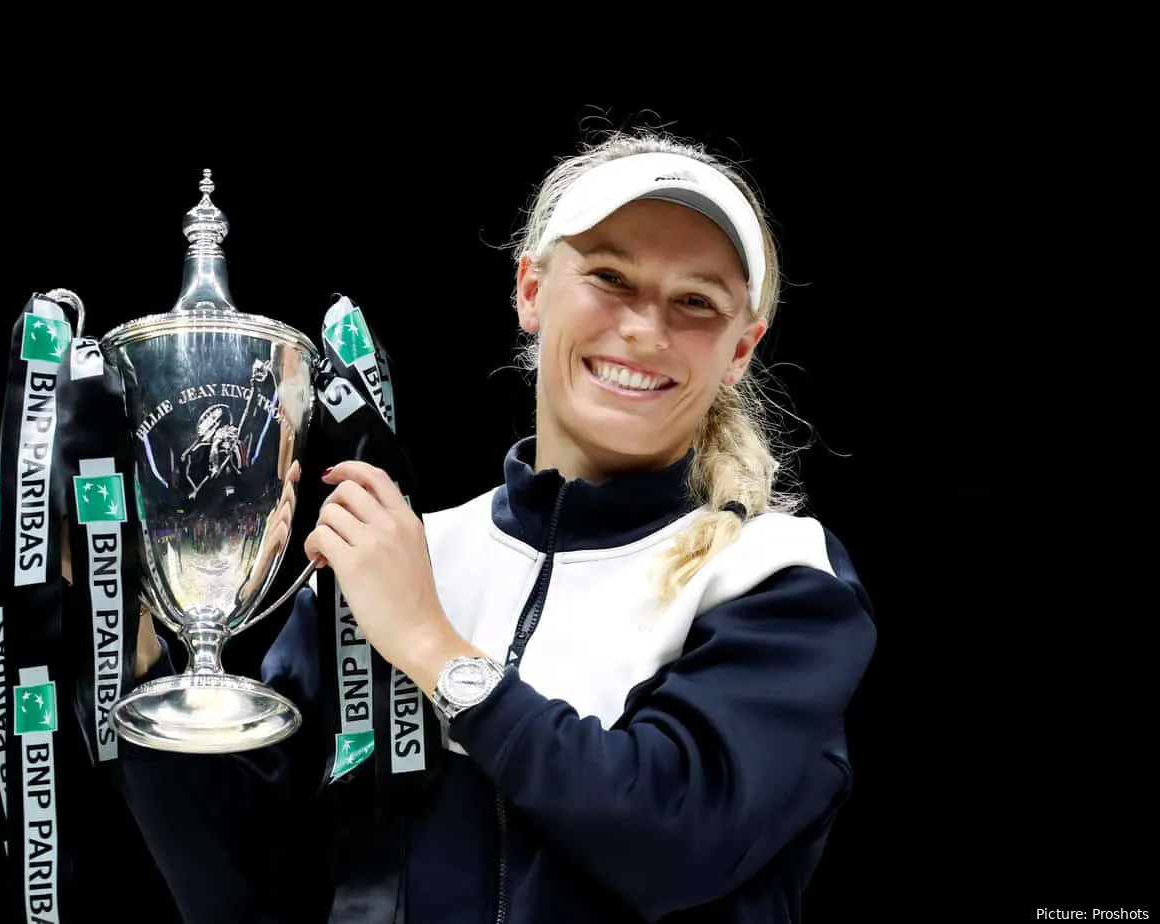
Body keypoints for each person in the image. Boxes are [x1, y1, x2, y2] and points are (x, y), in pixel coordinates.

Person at [116, 127, 878, 924]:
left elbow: (677, 833)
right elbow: (243, 893)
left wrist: (431, 647)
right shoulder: (402, 556)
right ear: (531, 291)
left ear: (740, 351)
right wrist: (131, 647)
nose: (647, 331)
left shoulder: (778, 576)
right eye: (610, 276)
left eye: (696, 301)